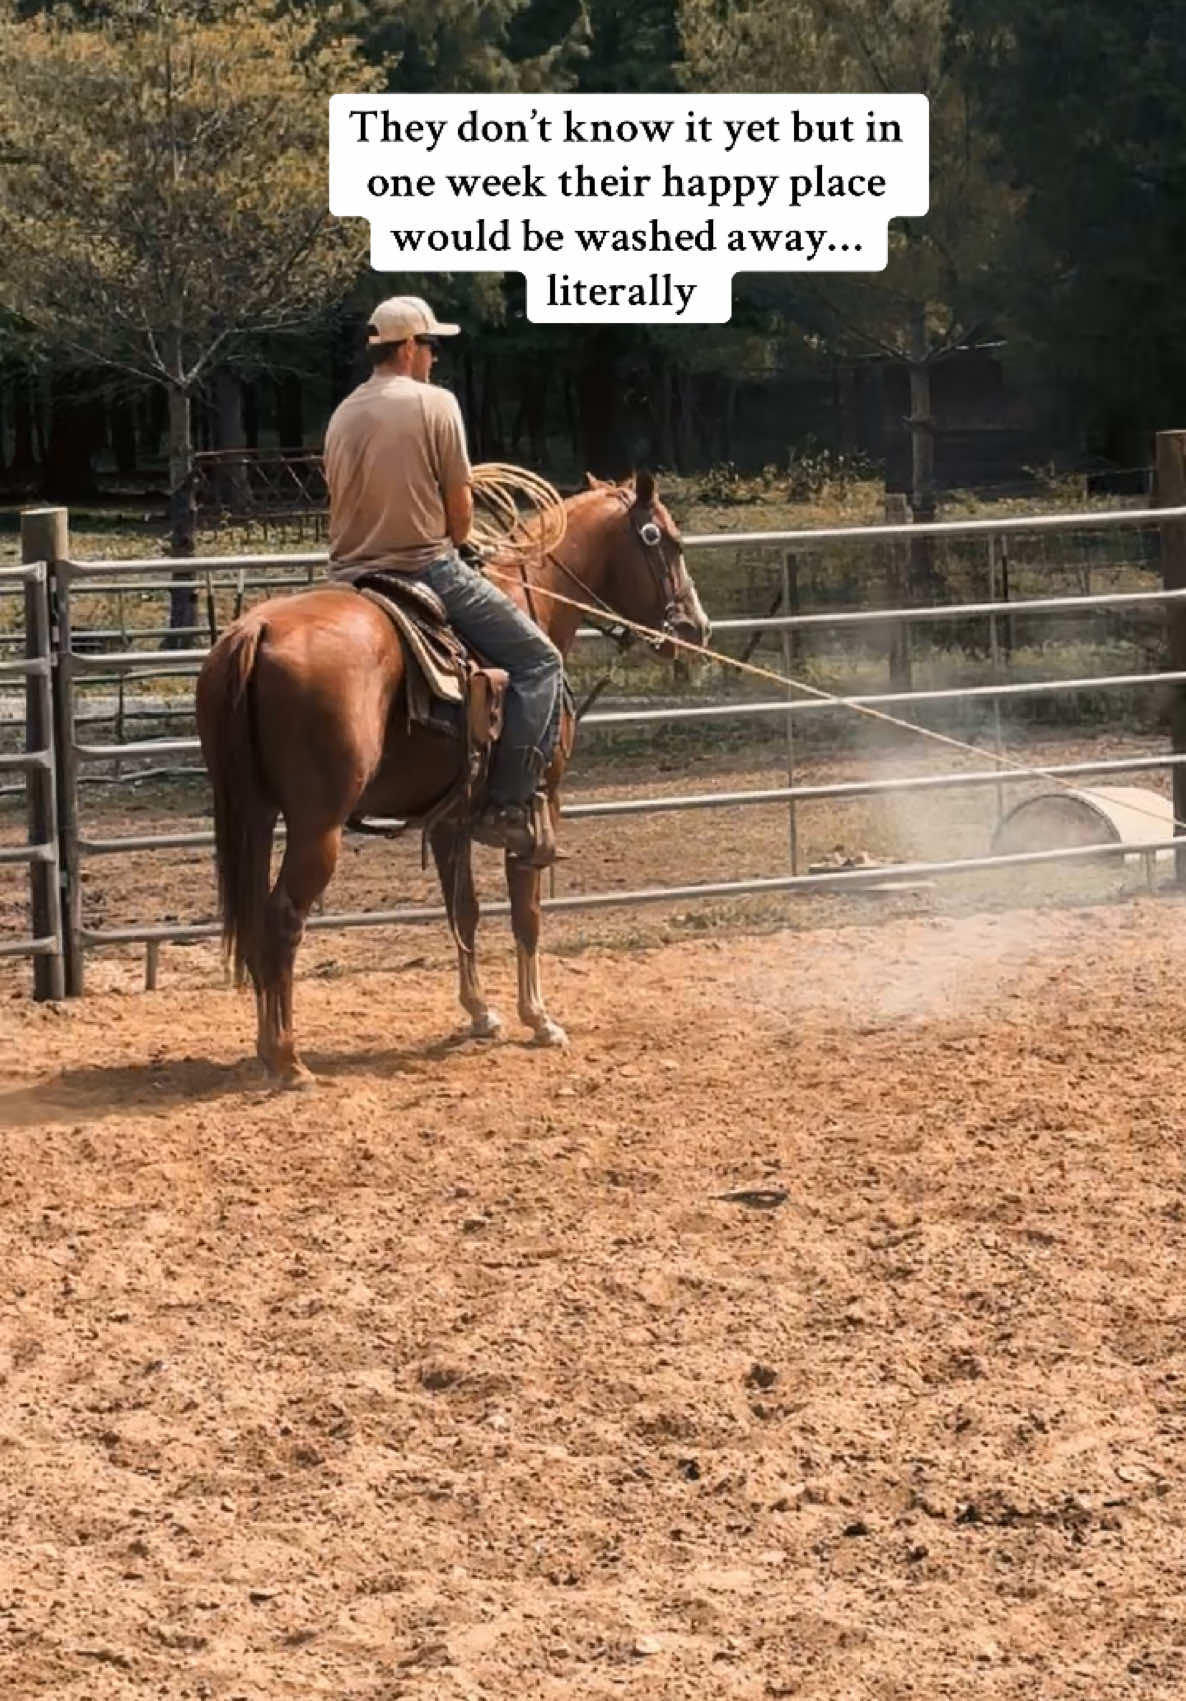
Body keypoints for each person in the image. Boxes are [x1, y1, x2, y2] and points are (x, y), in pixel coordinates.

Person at [323, 295, 564, 865]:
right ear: (407, 347)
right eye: (430, 346)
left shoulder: (342, 414)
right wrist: (458, 534)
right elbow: (459, 519)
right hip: (424, 568)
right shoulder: (436, 404)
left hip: (350, 577)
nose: (433, 357)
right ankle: (507, 805)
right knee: (540, 663)